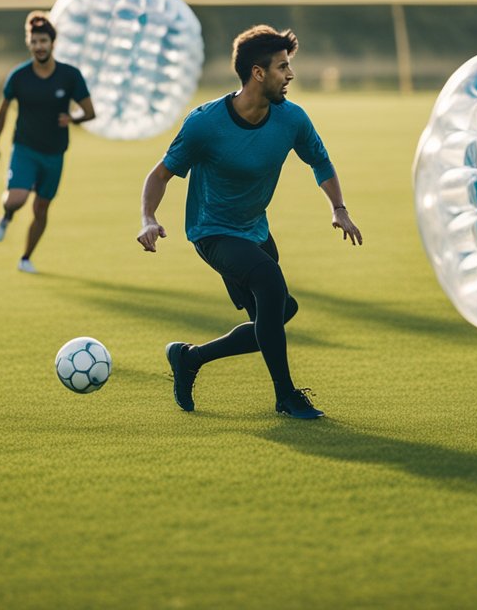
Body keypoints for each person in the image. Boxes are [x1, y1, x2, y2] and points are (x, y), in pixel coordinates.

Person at [137, 25, 363, 419]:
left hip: (255, 229)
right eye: (282, 67)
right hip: (213, 231)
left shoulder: (291, 119)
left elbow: (320, 161)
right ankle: (286, 397)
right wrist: (148, 218)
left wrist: (338, 208)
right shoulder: (205, 123)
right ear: (258, 73)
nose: (290, 75)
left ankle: (190, 358)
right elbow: (159, 175)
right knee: (270, 287)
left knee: (277, 316)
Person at [0, 12, 95, 273]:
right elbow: (2, 110)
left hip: (55, 153)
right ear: (29, 43)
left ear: (52, 43)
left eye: (43, 41)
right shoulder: (19, 76)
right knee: (17, 199)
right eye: (34, 41)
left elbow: (90, 112)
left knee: (41, 208)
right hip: (25, 148)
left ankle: (25, 257)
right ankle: (6, 217)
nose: (39, 46)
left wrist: (72, 118)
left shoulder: (70, 76)